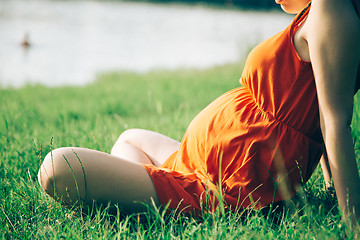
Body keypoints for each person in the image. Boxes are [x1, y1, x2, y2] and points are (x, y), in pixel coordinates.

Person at [38, 0, 360, 225]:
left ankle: (156, 200)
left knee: (55, 167)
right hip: (203, 165)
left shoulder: (330, 7)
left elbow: (334, 123)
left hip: (218, 188)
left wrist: (351, 223)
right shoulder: (321, 13)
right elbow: (320, 110)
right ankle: (148, 194)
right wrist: (331, 192)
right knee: (129, 139)